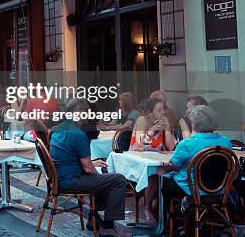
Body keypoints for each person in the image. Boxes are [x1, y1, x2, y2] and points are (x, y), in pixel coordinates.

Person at [50, 98, 129, 237]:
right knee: (118, 180)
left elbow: (70, 156)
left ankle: (94, 219)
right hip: (71, 180)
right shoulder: (79, 135)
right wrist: (96, 170)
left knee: (101, 177)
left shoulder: (59, 129)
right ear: (79, 112)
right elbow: (88, 170)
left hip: (60, 177)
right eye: (86, 112)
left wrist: (93, 164)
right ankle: (108, 227)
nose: (88, 116)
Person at [163, 105, 232, 236]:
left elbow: (173, 165)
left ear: (193, 123)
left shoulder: (187, 144)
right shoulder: (226, 142)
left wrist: (162, 166)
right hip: (219, 189)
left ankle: (174, 222)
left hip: (192, 189)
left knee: (164, 184)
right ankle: (197, 217)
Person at [130, 97, 176, 222]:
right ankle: (148, 209)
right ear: (150, 112)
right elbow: (139, 146)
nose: (163, 113)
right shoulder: (142, 120)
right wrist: (151, 130)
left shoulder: (163, 121)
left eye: (163, 109)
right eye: (159, 110)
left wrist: (166, 129)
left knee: (172, 172)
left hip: (157, 159)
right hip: (138, 160)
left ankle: (165, 210)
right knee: (154, 176)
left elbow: (171, 147)